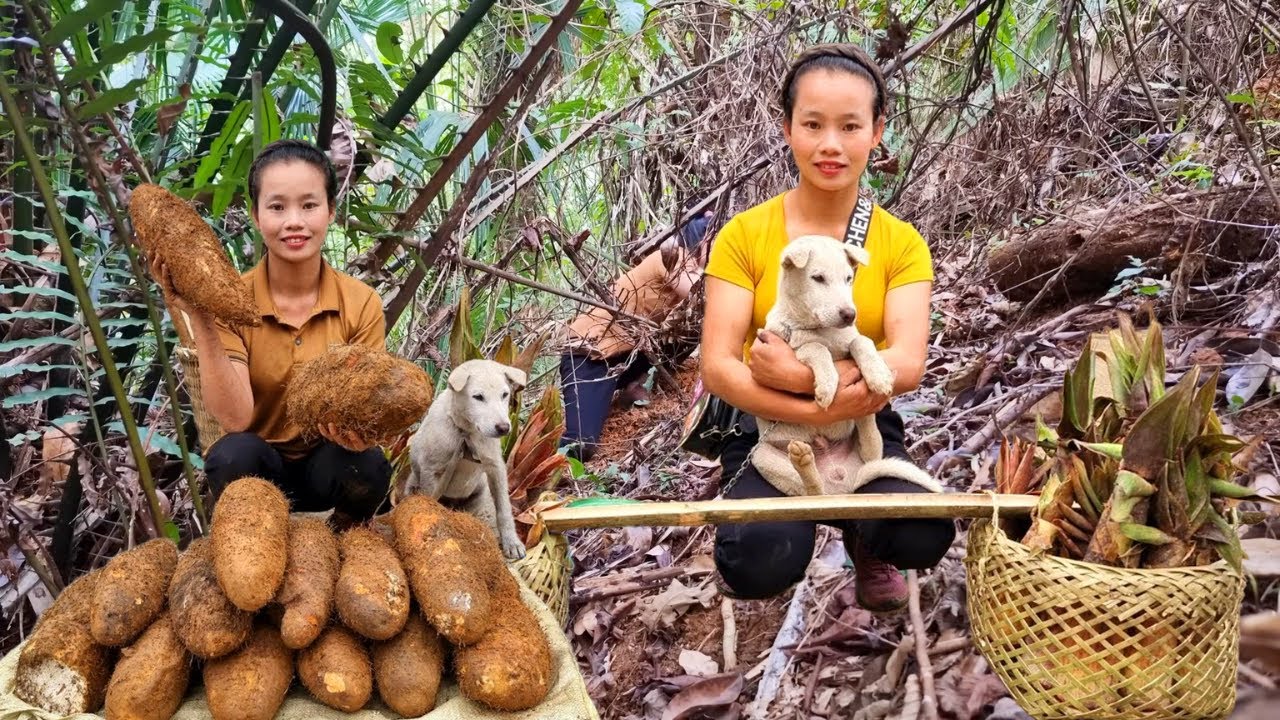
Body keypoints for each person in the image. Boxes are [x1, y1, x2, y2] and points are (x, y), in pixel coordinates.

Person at [699, 44, 955, 612]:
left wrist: (800, 379)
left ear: (877, 131)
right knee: (755, 559)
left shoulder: (900, 243)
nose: (831, 144)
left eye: (850, 126)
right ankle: (801, 519)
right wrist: (803, 404)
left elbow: (908, 362)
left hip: (864, 418)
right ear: (788, 127)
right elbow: (717, 365)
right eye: (813, 124)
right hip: (766, 424)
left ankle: (867, 536)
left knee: (921, 532)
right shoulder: (745, 235)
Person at [151, 139, 391, 525]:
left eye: (309, 205)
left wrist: (360, 433)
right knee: (232, 455)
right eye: (277, 207)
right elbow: (235, 419)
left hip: (325, 464)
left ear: (330, 211)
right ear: (256, 215)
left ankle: (346, 539)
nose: (294, 221)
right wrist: (202, 317)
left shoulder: (360, 302)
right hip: (260, 468)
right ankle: (254, 537)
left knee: (369, 465)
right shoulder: (232, 302)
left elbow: (365, 405)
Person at [559, 210, 714, 461]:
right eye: (715, 243)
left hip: (627, 353)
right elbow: (705, 297)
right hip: (589, 357)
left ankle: (632, 385)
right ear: (701, 240)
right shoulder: (672, 257)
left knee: (688, 332)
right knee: (581, 445)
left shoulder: (686, 261)